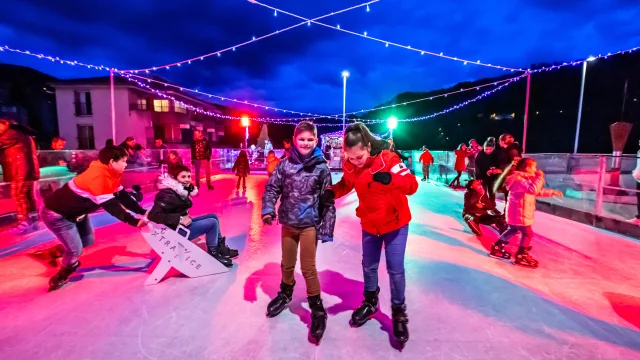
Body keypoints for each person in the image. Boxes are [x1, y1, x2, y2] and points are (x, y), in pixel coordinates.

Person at [323, 122, 417, 345]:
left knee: (395, 269)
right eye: (351, 158)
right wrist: (331, 192)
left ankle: (398, 311)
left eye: (360, 157)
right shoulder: (350, 165)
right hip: (370, 223)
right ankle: (370, 301)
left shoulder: (388, 160)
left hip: (395, 223)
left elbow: (412, 185)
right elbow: (347, 183)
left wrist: (392, 179)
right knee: (369, 265)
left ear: (367, 146)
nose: (356, 162)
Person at [261, 121, 335, 342]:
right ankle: (285, 292)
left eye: (310, 139)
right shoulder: (284, 165)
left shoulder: (322, 167)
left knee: (308, 267)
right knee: (287, 262)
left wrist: (327, 228)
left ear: (316, 140)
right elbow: (272, 188)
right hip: (288, 223)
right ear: (294, 140)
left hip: (309, 224)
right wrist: (268, 210)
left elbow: (327, 201)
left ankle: (316, 305)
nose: (305, 143)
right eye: (301, 139)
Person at [41, 146, 149, 291]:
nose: (126, 164)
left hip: (76, 213)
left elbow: (122, 196)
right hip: (57, 215)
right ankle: (63, 274)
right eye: (123, 161)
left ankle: (53, 253)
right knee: (75, 251)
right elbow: (111, 205)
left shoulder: (112, 172)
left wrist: (141, 211)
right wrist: (134, 221)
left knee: (87, 241)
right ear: (112, 161)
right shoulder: (98, 176)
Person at [147, 165, 238, 266]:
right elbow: (153, 215)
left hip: (179, 227)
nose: (187, 179)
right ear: (174, 178)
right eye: (183, 177)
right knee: (212, 223)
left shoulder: (179, 190)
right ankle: (214, 254)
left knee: (213, 216)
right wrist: (180, 219)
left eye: (189, 176)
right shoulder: (167, 193)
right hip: (176, 231)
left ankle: (221, 248)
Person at [489, 158, 562, 268]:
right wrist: (540, 177)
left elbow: (534, 191)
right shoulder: (518, 179)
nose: (536, 169)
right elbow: (533, 190)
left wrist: (551, 192)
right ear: (527, 168)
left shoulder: (522, 179)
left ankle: (497, 247)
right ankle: (521, 254)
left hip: (517, 211)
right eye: (534, 167)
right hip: (519, 212)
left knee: (513, 229)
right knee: (527, 233)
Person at [0, 119, 40, 234]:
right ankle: (33, 221)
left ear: (6, 124)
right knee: (27, 196)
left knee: (19, 195)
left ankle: (24, 222)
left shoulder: (11, 133)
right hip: (27, 170)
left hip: (20, 170)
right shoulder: (24, 134)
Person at [474, 137, 501, 203]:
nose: (488, 151)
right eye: (486, 149)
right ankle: (483, 205)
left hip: (492, 177)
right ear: (484, 148)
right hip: (482, 176)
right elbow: (477, 167)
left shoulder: (496, 154)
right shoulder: (480, 154)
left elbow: (498, 164)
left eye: (490, 149)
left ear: (493, 148)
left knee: (492, 191)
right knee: (483, 191)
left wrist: (494, 169)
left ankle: (492, 205)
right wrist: (478, 177)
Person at [631, 140, 640, 225]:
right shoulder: (639, 152)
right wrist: (635, 171)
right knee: (639, 198)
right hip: (638, 179)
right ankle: (639, 218)